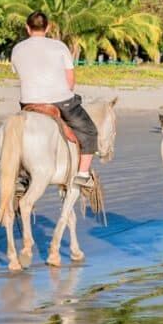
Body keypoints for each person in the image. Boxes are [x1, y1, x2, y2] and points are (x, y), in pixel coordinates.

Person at [10, 11, 98, 190]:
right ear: (48, 27)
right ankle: (82, 174)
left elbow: (20, 74)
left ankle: (20, 176)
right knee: (89, 131)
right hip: (61, 101)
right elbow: (71, 83)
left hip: (29, 105)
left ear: (28, 28)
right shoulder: (59, 47)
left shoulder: (17, 49)